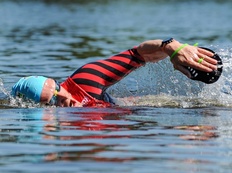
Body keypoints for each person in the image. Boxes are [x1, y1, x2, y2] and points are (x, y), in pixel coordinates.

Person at [11, 38, 220, 107]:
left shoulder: (85, 81)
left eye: (57, 89)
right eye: (52, 102)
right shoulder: (70, 137)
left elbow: (137, 54)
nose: (64, 97)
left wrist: (171, 47)